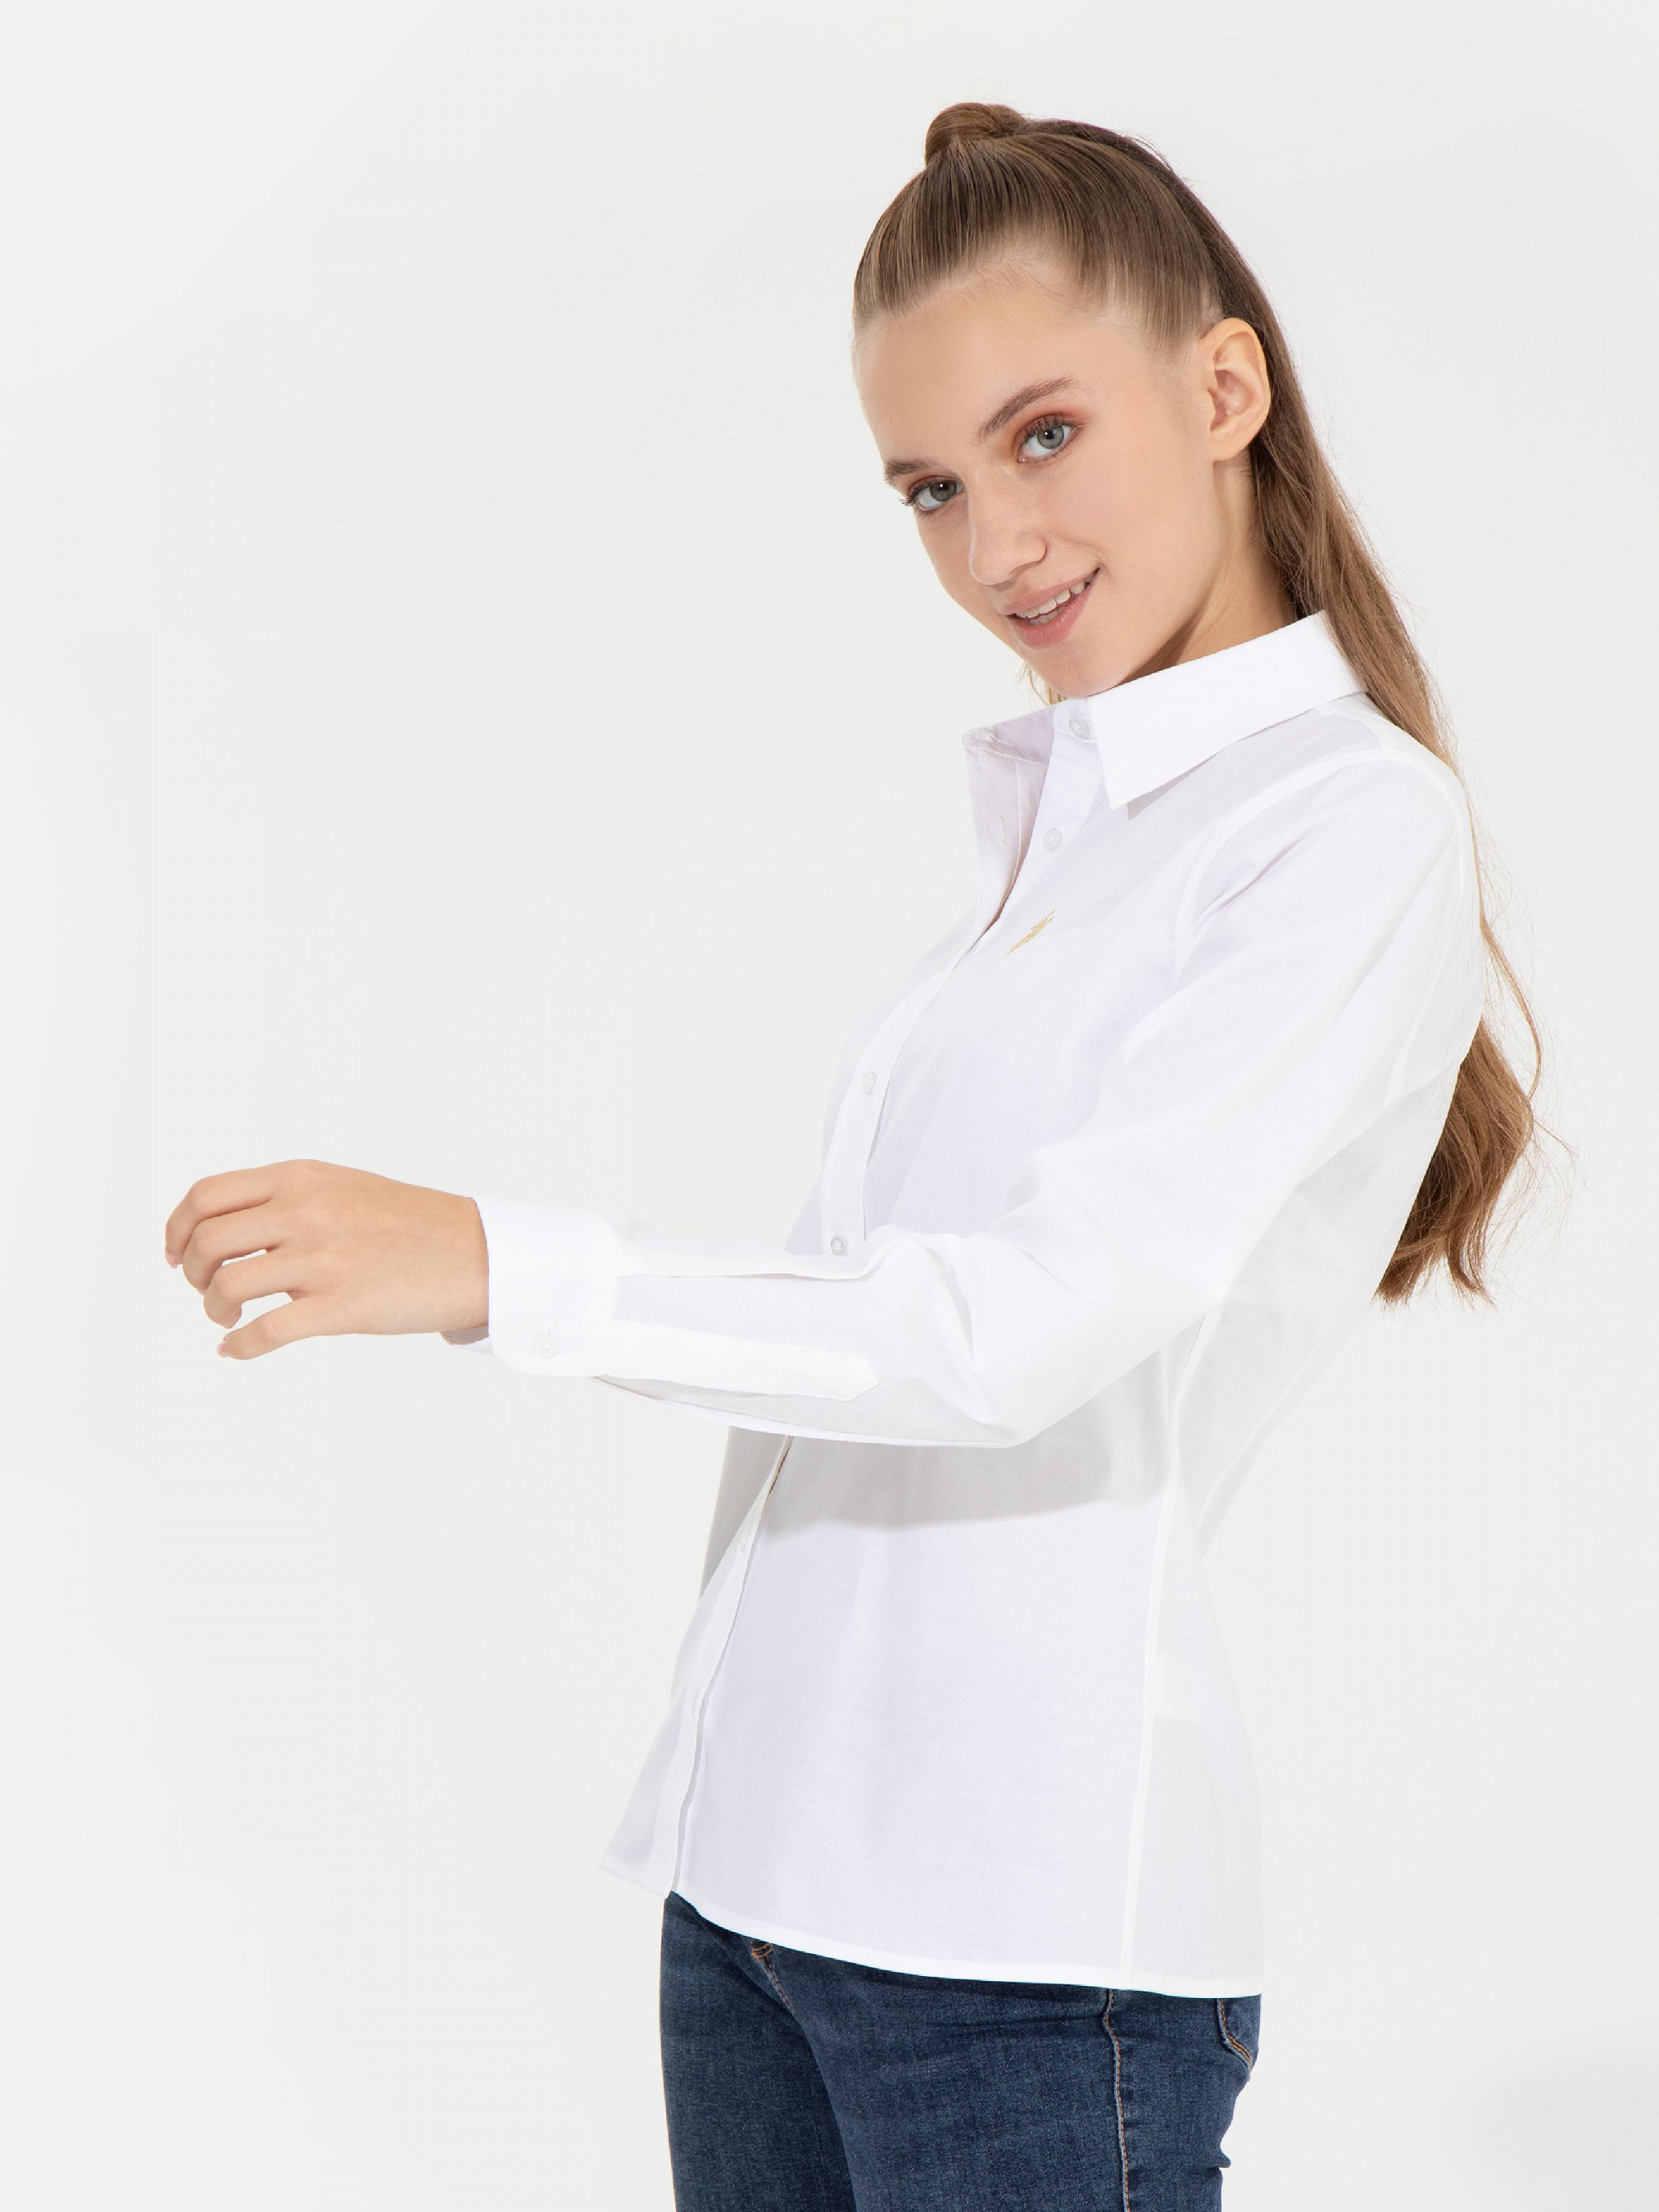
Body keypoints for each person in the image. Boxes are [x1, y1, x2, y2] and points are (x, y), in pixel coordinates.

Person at [164, 101, 1540, 2211]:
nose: (997, 547)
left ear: (1223, 387)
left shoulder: (1348, 829)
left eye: (1044, 435)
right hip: (754, 1889)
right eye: (932, 488)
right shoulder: (1063, 847)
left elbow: (1016, 1332)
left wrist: (499, 1266)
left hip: (1022, 1950)